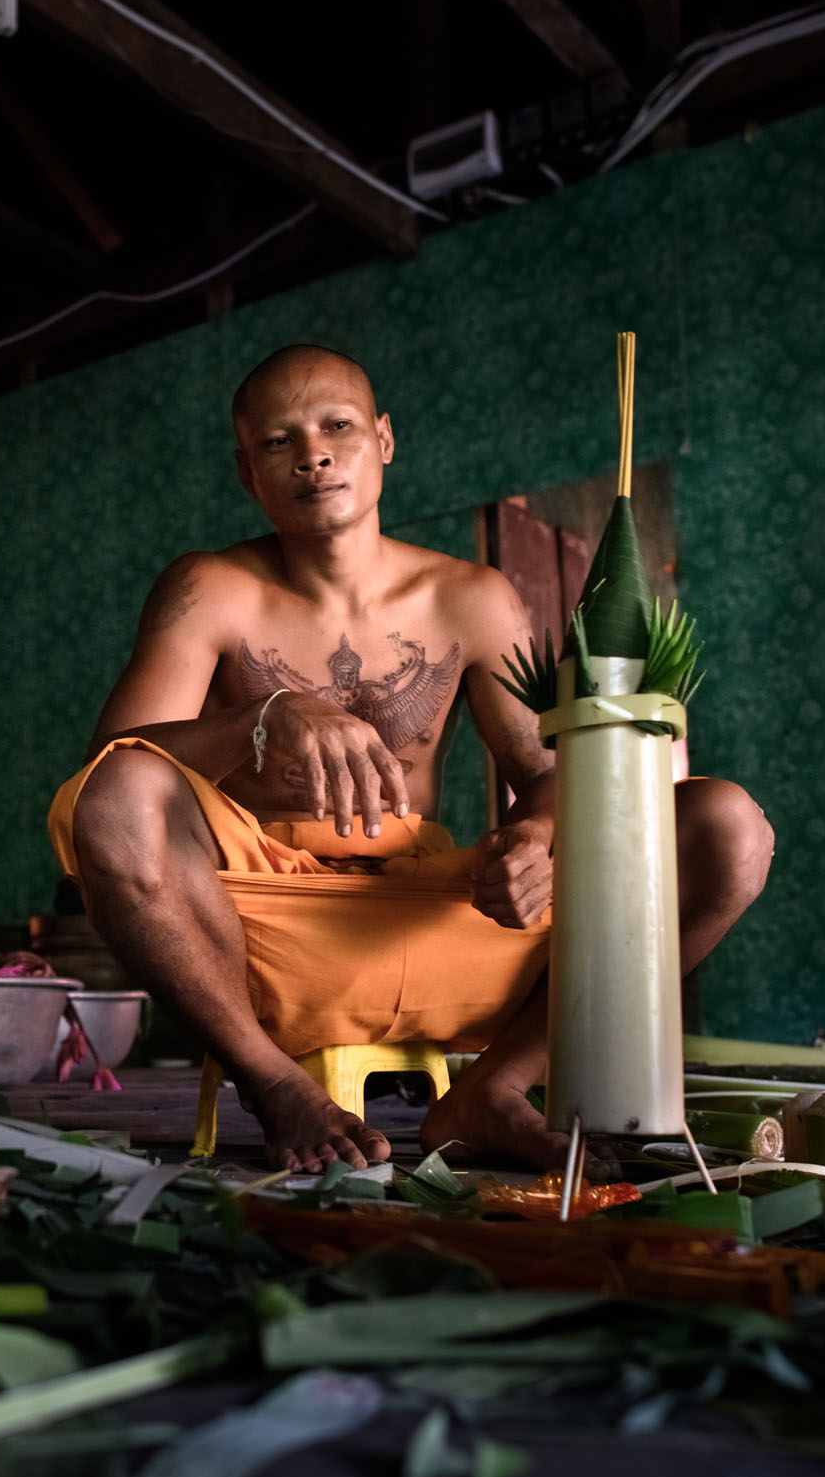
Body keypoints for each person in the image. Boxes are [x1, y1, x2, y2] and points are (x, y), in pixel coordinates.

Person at [48, 345, 774, 1173]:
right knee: (114, 795)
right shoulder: (210, 588)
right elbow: (111, 764)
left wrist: (533, 840)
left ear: (384, 439)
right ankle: (274, 1083)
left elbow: (543, 776)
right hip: (258, 930)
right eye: (279, 441)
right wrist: (267, 717)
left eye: (337, 428)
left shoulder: (471, 597)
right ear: (247, 471)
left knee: (725, 827)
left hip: (443, 919)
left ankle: (495, 1090)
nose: (313, 454)